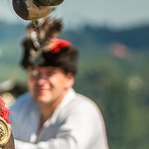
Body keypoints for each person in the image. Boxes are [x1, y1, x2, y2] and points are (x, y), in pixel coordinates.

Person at [10, 21, 110, 149]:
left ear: (69, 79)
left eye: (50, 73)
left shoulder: (83, 110)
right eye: (35, 73)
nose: (41, 81)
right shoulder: (21, 106)